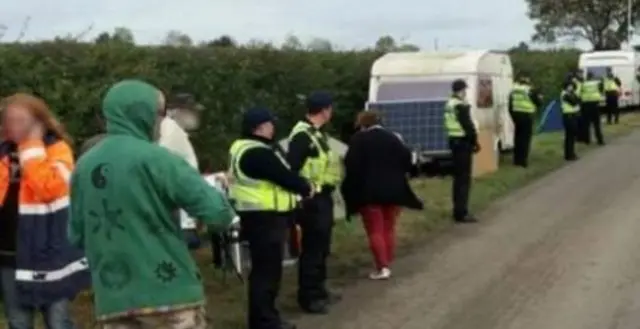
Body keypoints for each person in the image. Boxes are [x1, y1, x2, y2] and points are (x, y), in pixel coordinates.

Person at [68, 80, 236, 329]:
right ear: (142, 114)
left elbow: (76, 235)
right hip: (169, 294)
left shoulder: (83, 167)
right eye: (159, 114)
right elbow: (218, 212)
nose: (162, 123)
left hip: (113, 298)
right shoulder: (158, 160)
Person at [0, 93, 89, 329]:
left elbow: (50, 189)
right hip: (10, 255)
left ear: (40, 122)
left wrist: (31, 147)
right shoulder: (2, 152)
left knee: (58, 322)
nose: (15, 126)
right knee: (18, 322)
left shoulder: (58, 150)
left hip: (50, 255)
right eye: (11, 120)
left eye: (22, 120)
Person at [228, 107, 313, 329]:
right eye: (270, 124)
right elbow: (284, 177)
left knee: (264, 271)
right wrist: (306, 187)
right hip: (265, 219)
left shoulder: (241, 147)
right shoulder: (258, 152)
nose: (273, 127)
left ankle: (264, 318)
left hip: (257, 218)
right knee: (267, 273)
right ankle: (265, 322)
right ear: (260, 127)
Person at [341, 111, 423, 280]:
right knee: (389, 228)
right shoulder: (393, 138)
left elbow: (351, 166)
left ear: (362, 124)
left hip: (369, 193)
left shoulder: (358, 140)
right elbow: (408, 160)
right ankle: (388, 260)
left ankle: (382, 266)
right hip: (394, 192)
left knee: (375, 230)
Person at [287, 91, 342, 314]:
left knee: (322, 247)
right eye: (330, 108)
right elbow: (292, 168)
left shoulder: (316, 134)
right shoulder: (302, 136)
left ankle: (320, 289)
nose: (332, 112)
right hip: (311, 200)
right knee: (312, 249)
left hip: (323, 197)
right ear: (324, 110)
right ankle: (308, 297)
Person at [158, 93, 204, 243]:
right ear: (178, 112)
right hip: (176, 212)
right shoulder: (171, 131)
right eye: (191, 111)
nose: (196, 116)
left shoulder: (173, 131)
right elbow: (165, 168)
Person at [444, 80, 479, 223]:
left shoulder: (449, 104)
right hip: (463, 143)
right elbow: (468, 126)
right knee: (464, 179)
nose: (465, 93)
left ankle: (456, 209)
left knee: (457, 178)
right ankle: (461, 212)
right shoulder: (460, 105)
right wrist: (475, 141)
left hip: (453, 142)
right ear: (462, 90)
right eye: (465, 90)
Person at [509, 75, 540, 168]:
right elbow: (538, 102)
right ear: (527, 81)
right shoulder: (529, 90)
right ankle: (523, 161)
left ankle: (516, 160)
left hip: (516, 115)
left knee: (517, 138)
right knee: (525, 139)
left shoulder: (513, 89)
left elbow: (510, 104)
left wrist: (512, 114)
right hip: (527, 115)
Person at [579, 72, 605, 145]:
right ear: (592, 77)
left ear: (587, 77)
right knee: (597, 124)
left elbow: (579, 92)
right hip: (595, 104)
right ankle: (600, 140)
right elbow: (601, 90)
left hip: (585, 104)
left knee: (586, 124)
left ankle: (587, 140)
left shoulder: (583, 84)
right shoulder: (596, 83)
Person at [561, 82, 581, 161]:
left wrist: (576, 99)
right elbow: (573, 102)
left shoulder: (572, 93)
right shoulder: (564, 94)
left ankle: (571, 153)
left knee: (572, 136)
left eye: (572, 86)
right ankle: (569, 155)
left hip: (573, 115)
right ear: (566, 87)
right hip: (568, 116)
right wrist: (576, 99)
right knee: (569, 136)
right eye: (569, 86)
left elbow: (579, 100)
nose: (571, 88)